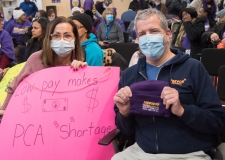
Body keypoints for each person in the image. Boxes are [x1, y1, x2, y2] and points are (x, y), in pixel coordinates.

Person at [112, 8, 225, 160]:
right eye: (142, 34)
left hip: (188, 154)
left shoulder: (193, 68)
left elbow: (216, 121)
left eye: (153, 31)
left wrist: (182, 110)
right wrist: (124, 113)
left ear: (168, 34)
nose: (148, 38)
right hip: (142, 152)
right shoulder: (130, 75)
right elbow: (126, 131)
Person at [0, 16, 87, 114]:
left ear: (74, 38)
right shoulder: (36, 58)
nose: (62, 40)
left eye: (67, 35)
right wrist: (4, 109)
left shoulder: (79, 60)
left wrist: (82, 72)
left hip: (66, 117)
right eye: (57, 35)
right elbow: (14, 86)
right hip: (37, 115)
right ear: (50, 38)